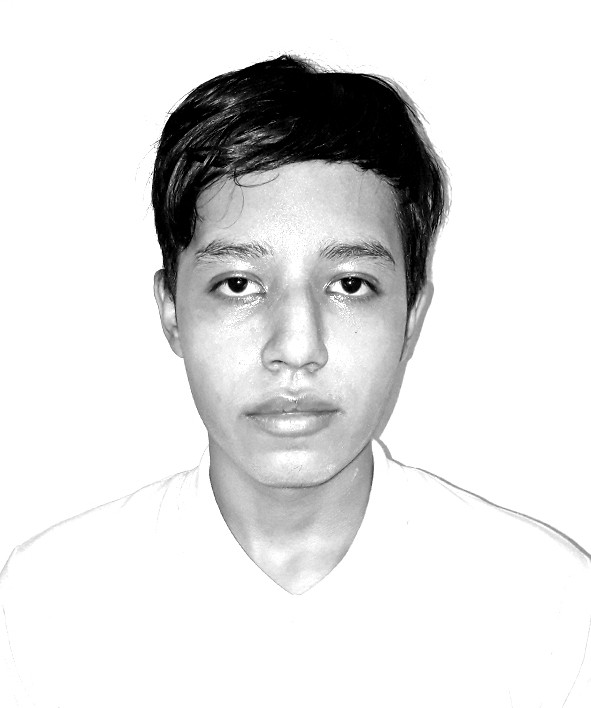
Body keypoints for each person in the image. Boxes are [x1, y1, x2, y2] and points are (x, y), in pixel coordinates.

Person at [1, 55, 589, 707]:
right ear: (171, 312)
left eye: (349, 285)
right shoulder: (48, 604)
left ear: (411, 317)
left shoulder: (546, 606)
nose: (296, 349)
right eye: (238, 285)